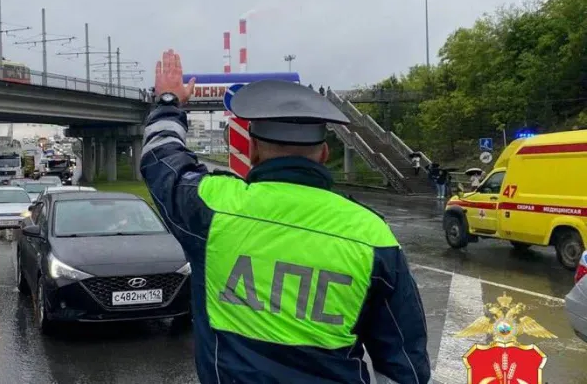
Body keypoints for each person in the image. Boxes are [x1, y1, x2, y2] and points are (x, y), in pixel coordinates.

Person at [141, 49, 430, 384]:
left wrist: (168, 100)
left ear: (252, 151)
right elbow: (405, 364)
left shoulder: (214, 207)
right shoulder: (371, 233)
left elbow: (161, 160)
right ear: (323, 155)